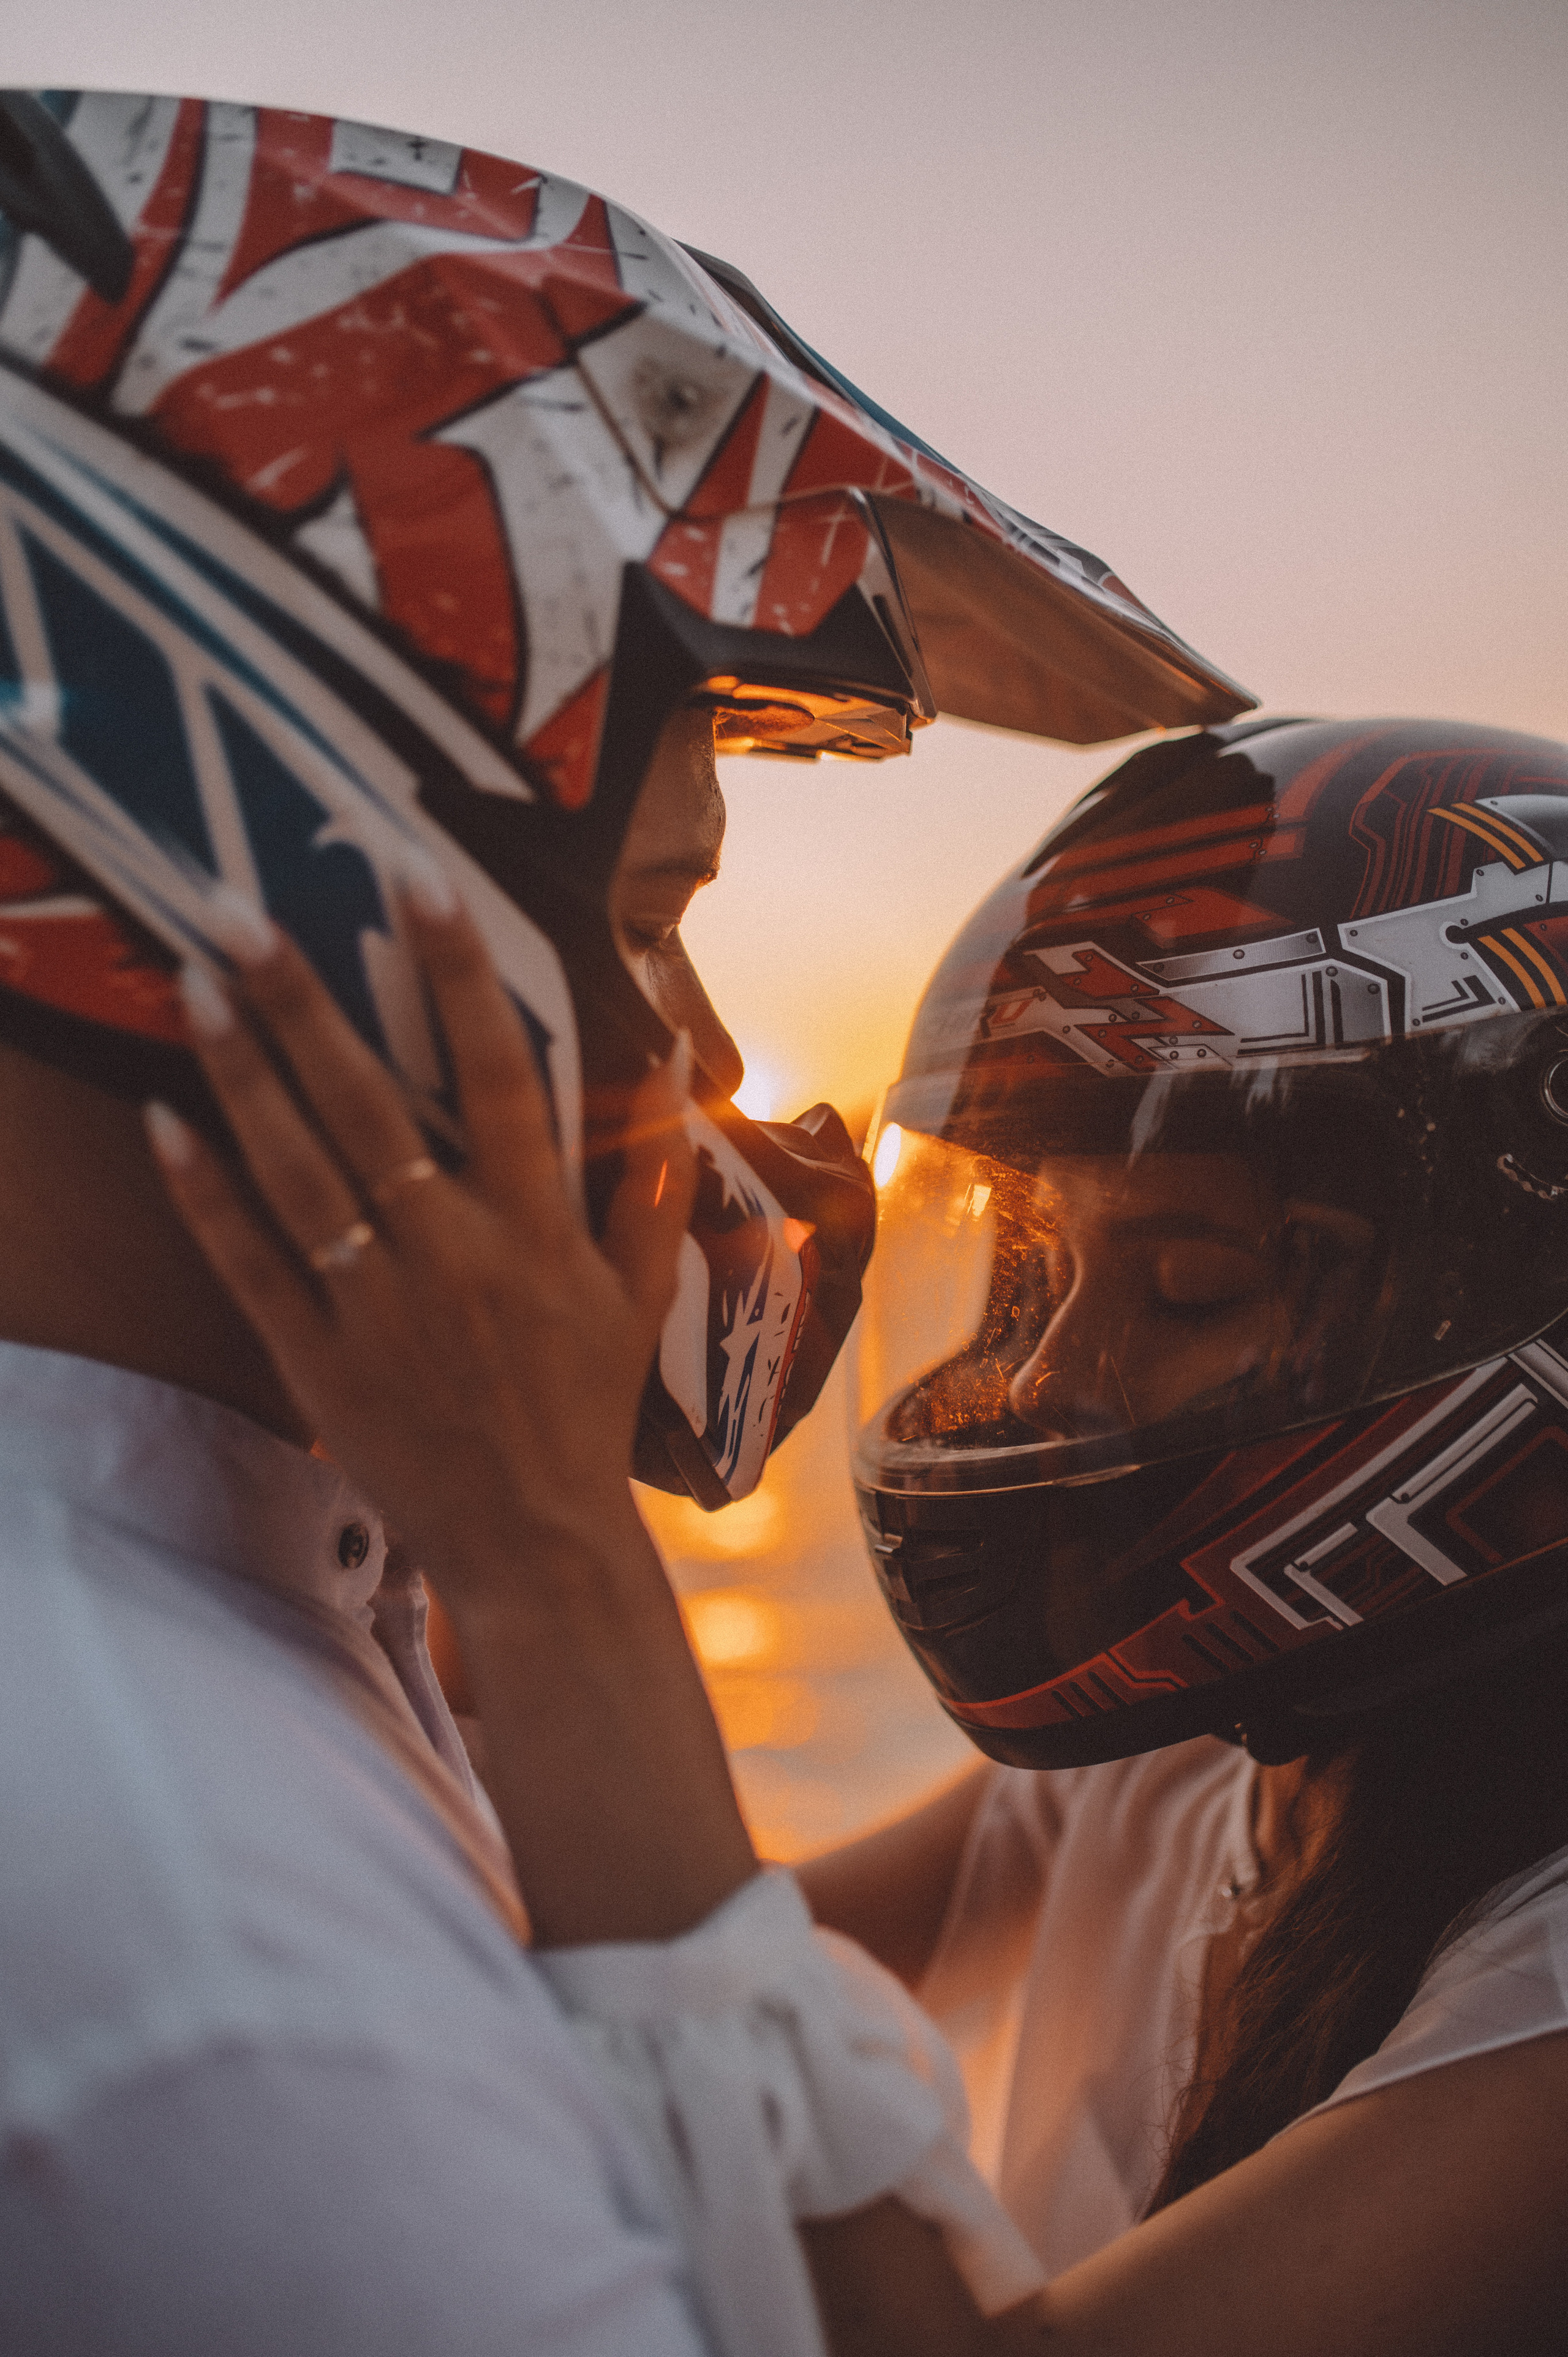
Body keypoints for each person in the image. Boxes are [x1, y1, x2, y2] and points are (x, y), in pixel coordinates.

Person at [0, 87, 1245, 2354]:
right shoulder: (211, 1994)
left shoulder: (262, 1611)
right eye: (660, 921)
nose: (700, 1066)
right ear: (283, 882)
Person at [146, 716, 1568, 2357]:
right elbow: (603, 1974)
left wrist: (549, 1554)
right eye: (1036, 1270)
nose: (1042, 1373)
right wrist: (409, 1531)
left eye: (1187, 1285)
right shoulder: (1186, 1772)